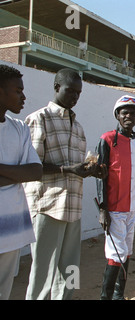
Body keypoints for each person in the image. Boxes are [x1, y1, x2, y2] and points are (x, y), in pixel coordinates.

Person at [23, 68, 106, 300]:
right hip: (48, 206)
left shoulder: (77, 127)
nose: (75, 97)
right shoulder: (38, 119)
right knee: (43, 273)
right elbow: (31, 167)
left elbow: (77, 168)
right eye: (70, 91)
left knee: (70, 271)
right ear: (57, 87)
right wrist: (69, 169)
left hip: (73, 206)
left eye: (79, 93)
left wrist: (93, 171)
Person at [96, 95, 135, 300]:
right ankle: (106, 297)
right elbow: (100, 176)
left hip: (131, 207)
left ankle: (119, 295)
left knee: (126, 252)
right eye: (124, 112)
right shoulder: (107, 139)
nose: (128, 116)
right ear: (117, 115)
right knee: (116, 254)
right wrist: (102, 209)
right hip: (114, 209)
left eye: (133, 113)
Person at [0, 65, 43, 300]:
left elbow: (35, 171)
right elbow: (25, 171)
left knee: (4, 290)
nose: (23, 96)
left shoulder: (19, 128)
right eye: (17, 91)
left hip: (13, 228)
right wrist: (17, 173)